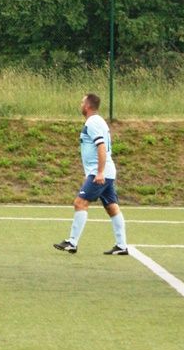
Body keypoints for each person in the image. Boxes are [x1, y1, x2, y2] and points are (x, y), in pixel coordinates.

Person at [54, 94, 128, 256]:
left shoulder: (92, 122)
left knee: (80, 203)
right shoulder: (99, 121)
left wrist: (99, 172)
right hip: (104, 171)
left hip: (101, 172)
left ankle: (72, 242)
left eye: (82, 102)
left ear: (87, 106)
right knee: (111, 207)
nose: (80, 104)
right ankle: (122, 245)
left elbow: (101, 147)